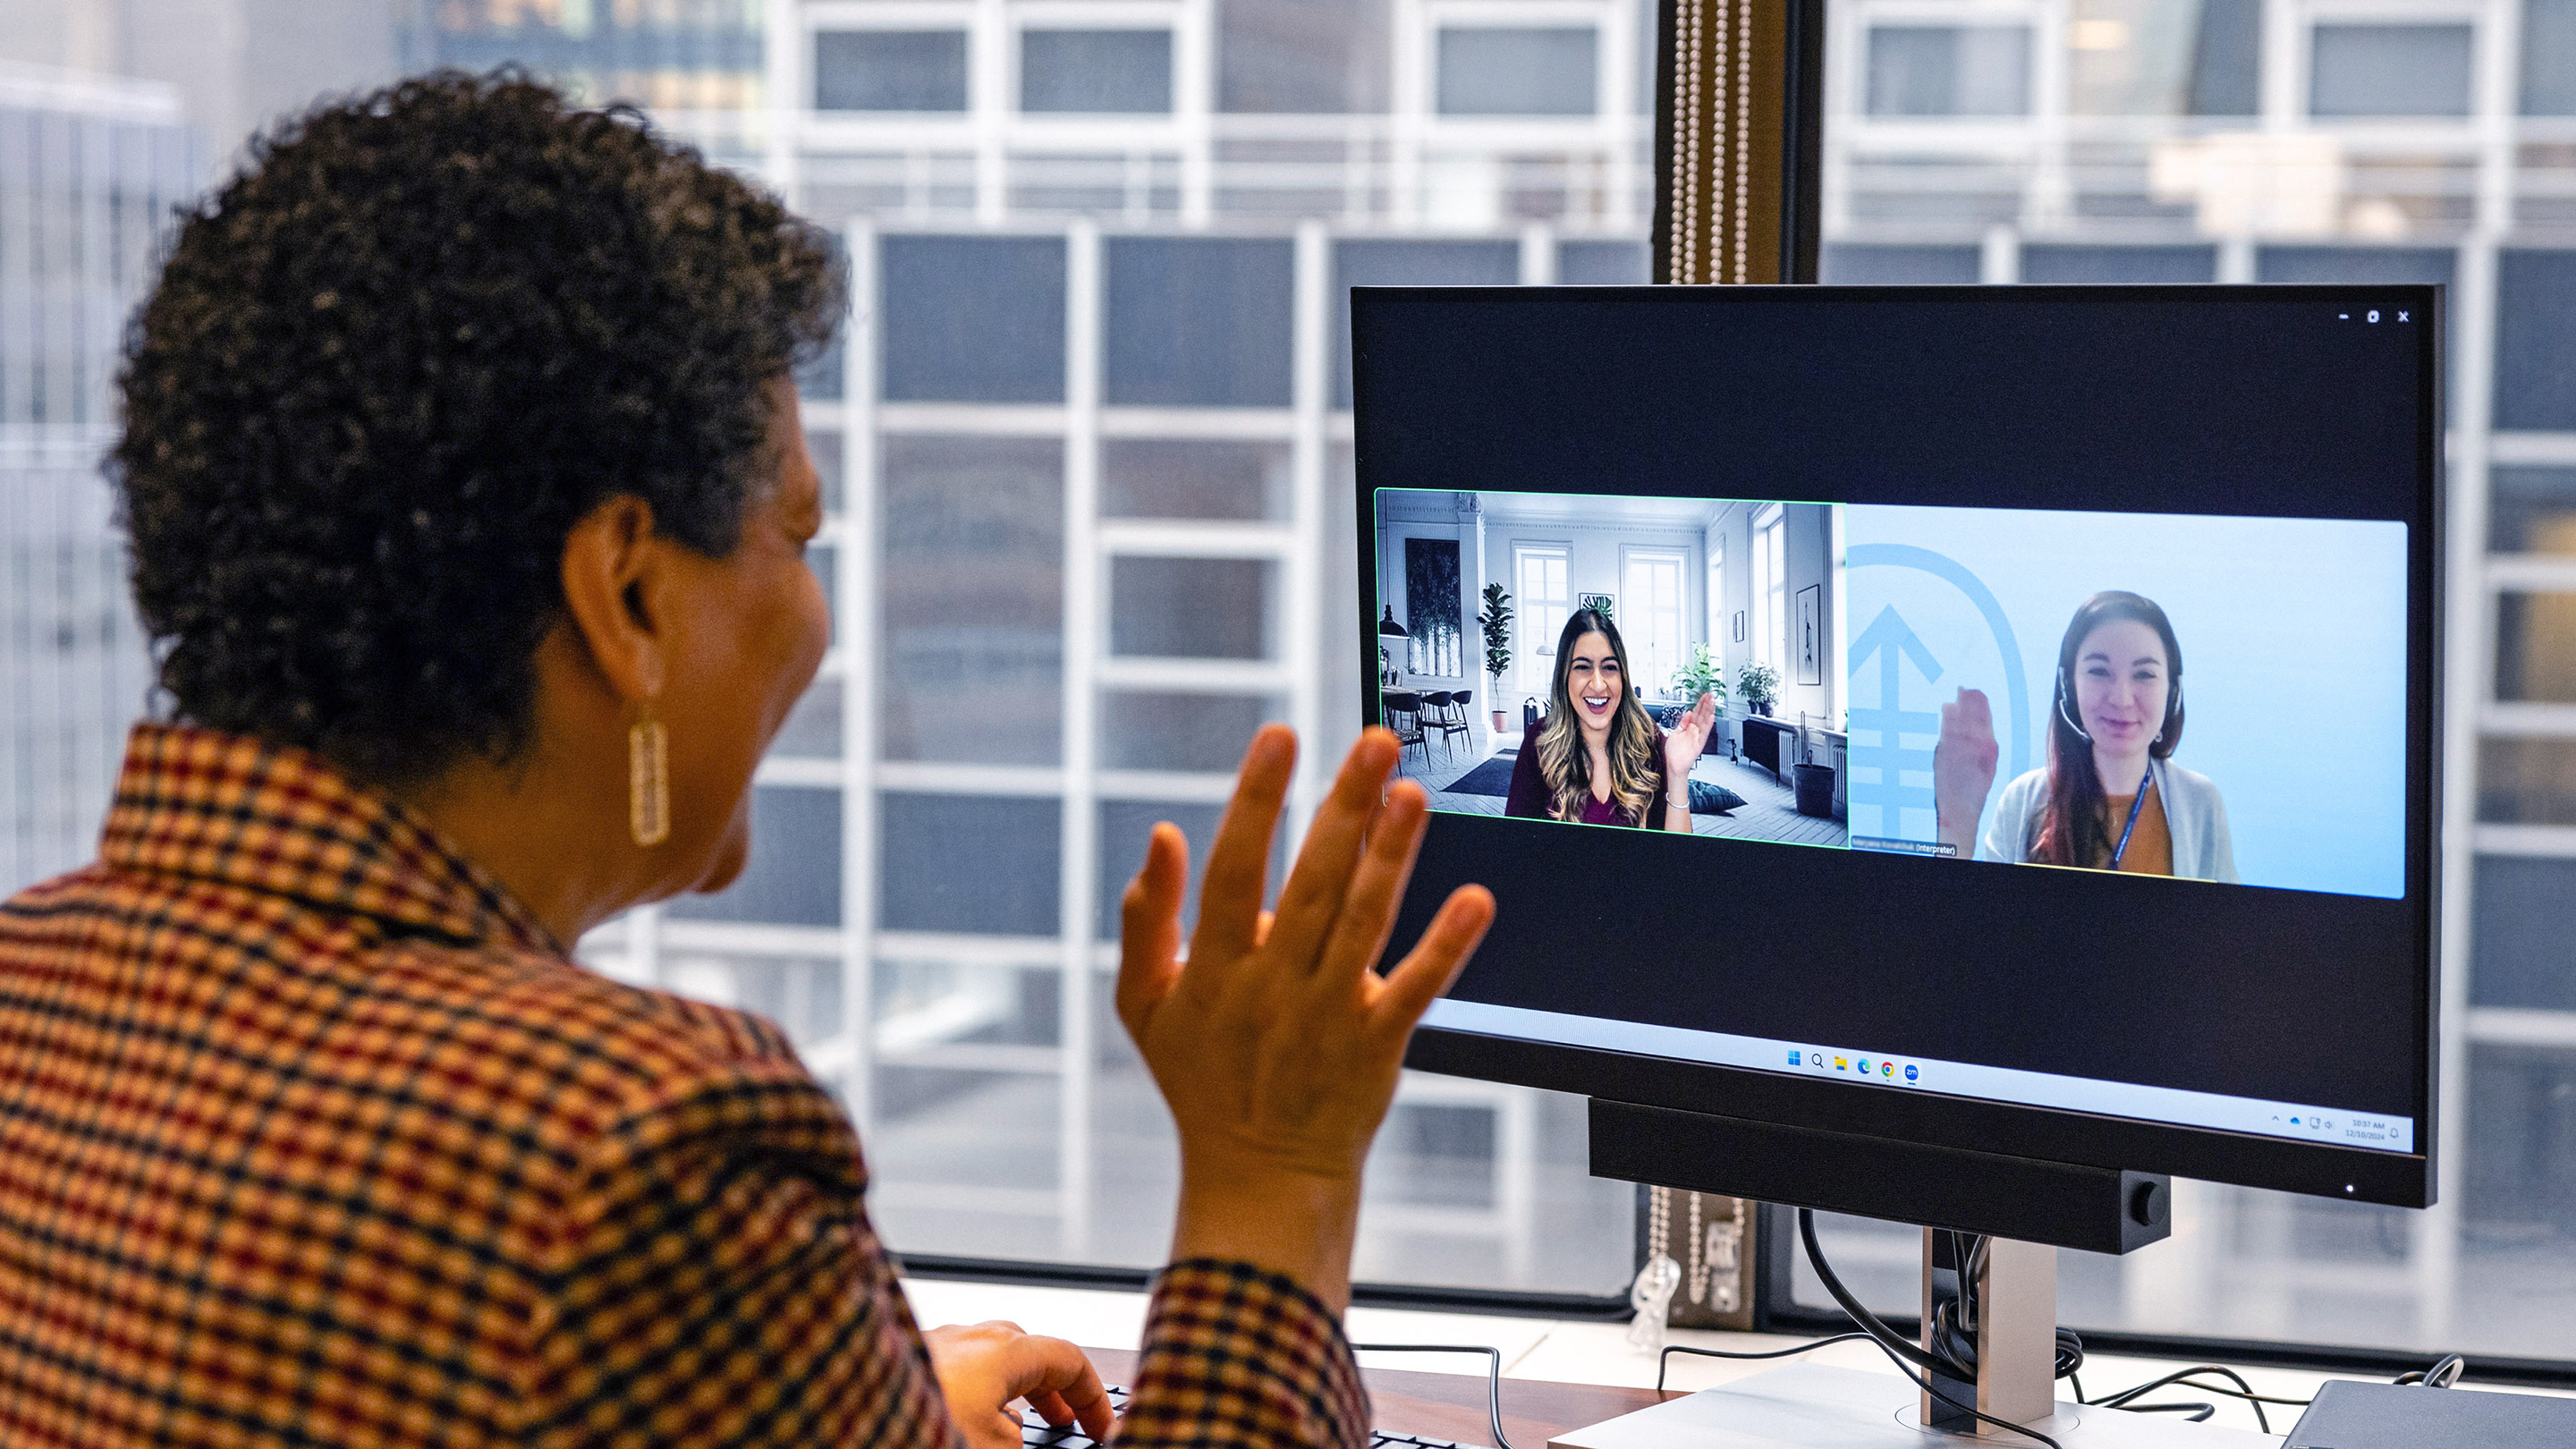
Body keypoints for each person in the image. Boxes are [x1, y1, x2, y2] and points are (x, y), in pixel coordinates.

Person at [0, 73, 1495, 1449]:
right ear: (628, 596)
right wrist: (1270, 1173)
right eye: (798, 536)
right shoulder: (631, 1152)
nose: (819, 617)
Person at [1932, 590, 2237, 881]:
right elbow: (1978, 924)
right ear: (2068, 684)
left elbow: (2224, 922)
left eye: (2144, 674)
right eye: (2099, 671)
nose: (2121, 698)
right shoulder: (2024, 800)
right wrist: (1956, 824)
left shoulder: (2199, 802)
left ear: (2173, 691)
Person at [1504, 608, 1716, 833]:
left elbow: (1677, 859)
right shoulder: (1540, 740)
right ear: (1565, 677)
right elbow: (1515, 846)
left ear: (1622, 676)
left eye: (1609, 668)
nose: (1597, 684)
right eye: (1582, 667)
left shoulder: (1649, 741)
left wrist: (1677, 775)